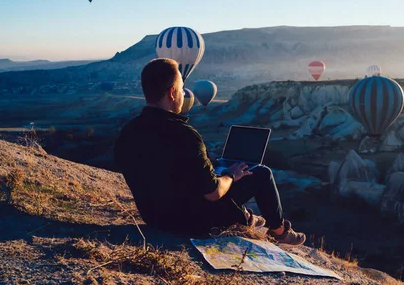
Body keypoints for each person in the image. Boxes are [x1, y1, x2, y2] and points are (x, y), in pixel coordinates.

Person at [114, 58, 306, 245]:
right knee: (261, 173)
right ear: (172, 93)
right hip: (191, 222)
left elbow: (161, 168)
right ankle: (279, 231)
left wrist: (203, 161)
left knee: (215, 177)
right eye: (181, 89)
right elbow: (212, 193)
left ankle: (246, 218)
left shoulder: (128, 132)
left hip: (154, 217)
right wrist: (231, 174)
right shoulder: (184, 134)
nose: (183, 93)